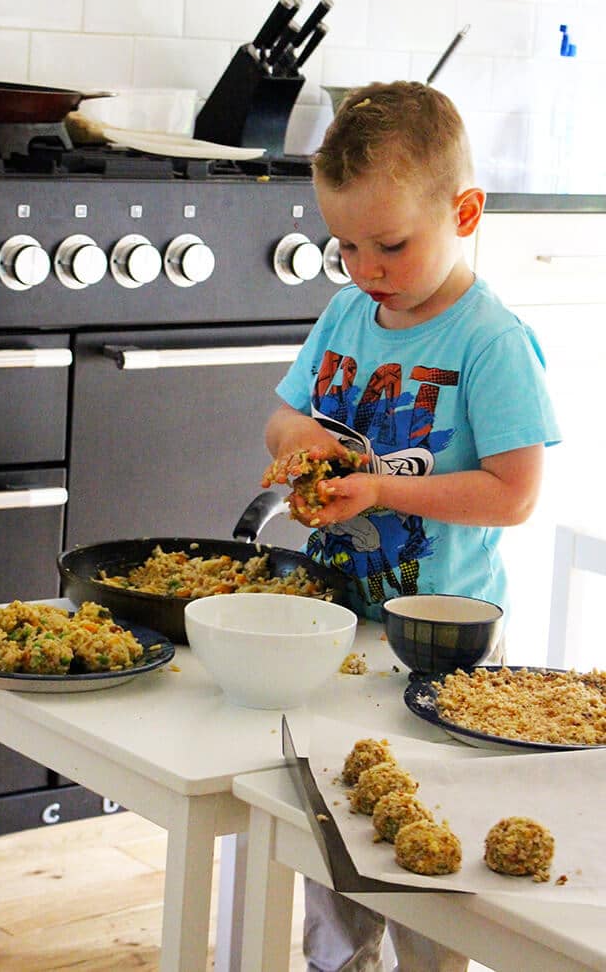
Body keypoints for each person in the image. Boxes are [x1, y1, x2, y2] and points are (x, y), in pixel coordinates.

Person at [261, 80, 561, 972]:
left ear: (465, 210)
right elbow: (281, 420)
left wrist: (381, 493)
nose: (364, 267)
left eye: (389, 244)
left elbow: (513, 493)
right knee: (336, 822)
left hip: (446, 642)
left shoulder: (490, 341)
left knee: (431, 835)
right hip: (339, 625)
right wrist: (303, 444)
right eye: (344, 244)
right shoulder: (349, 312)